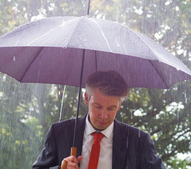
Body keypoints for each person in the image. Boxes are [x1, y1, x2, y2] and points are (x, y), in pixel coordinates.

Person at [32, 71, 166, 169]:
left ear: (119, 105)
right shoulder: (60, 132)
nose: (103, 115)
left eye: (111, 108)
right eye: (98, 106)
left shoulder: (138, 140)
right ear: (86, 98)